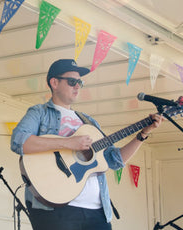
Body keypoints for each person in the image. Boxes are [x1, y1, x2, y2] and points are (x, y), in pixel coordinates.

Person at [10, 59, 163, 230]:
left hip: (97, 210)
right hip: (55, 208)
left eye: (80, 83)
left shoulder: (88, 121)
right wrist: (68, 143)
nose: (77, 86)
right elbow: (19, 141)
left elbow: (115, 160)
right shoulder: (40, 113)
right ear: (54, 83)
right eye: (72, 81)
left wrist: (143, 134)